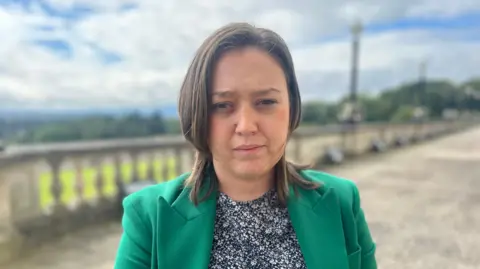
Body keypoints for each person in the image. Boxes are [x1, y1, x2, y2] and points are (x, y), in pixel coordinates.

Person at [113, 22, 377, 269]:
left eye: (266, 102)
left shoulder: (341, 201)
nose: (247, 125)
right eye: (222, 105)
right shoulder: (148, 216)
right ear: (198, 115)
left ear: (292, 108)